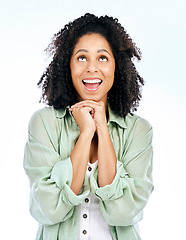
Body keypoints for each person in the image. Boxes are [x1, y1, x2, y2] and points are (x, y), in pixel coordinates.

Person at [24, 13, 153, 240]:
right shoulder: (43, 124)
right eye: (81, 58)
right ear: (68, 65)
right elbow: (49, 207)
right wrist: (86, 134)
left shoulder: (139, 131)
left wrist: (102, 128)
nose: (92, 68)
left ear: (117, 66)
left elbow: (124, 213)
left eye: (103, 58)